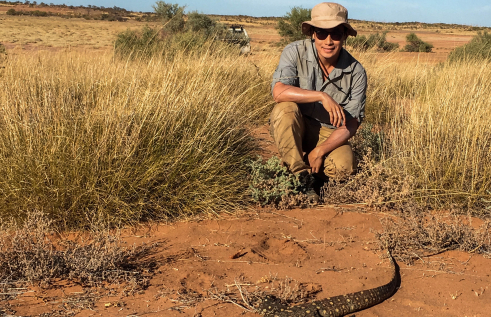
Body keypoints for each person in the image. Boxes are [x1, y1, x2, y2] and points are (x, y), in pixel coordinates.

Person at [269, 2, 366, 199]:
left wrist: (320, 150)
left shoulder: (357, 72)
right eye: (322, 33)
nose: (328, 41)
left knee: (344, 167)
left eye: (336, 33)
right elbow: (278, 92)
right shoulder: (294, 52)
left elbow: (352, 123)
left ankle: (314, 170)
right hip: (297, 124)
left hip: (328, 133)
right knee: (285, 109)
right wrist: (322, 96)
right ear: (313, 33)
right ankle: (299, 177)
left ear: (345, 36)